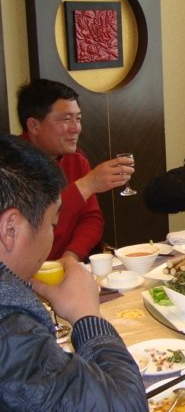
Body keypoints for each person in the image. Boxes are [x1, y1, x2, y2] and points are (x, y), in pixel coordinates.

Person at [0, 133, 147, 410]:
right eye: (52, 225)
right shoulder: (9, 329)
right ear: (10, 229)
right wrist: (86, 315)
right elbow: (125, 405)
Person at [17, 79, 134, 262]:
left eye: (78, 119)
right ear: (34, 125)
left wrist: (72, 255)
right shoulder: (10, 166)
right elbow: (29, 229)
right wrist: (87, 185)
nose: (76, 128)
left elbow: (91, 218)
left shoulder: (76, 157)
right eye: (65, 119)